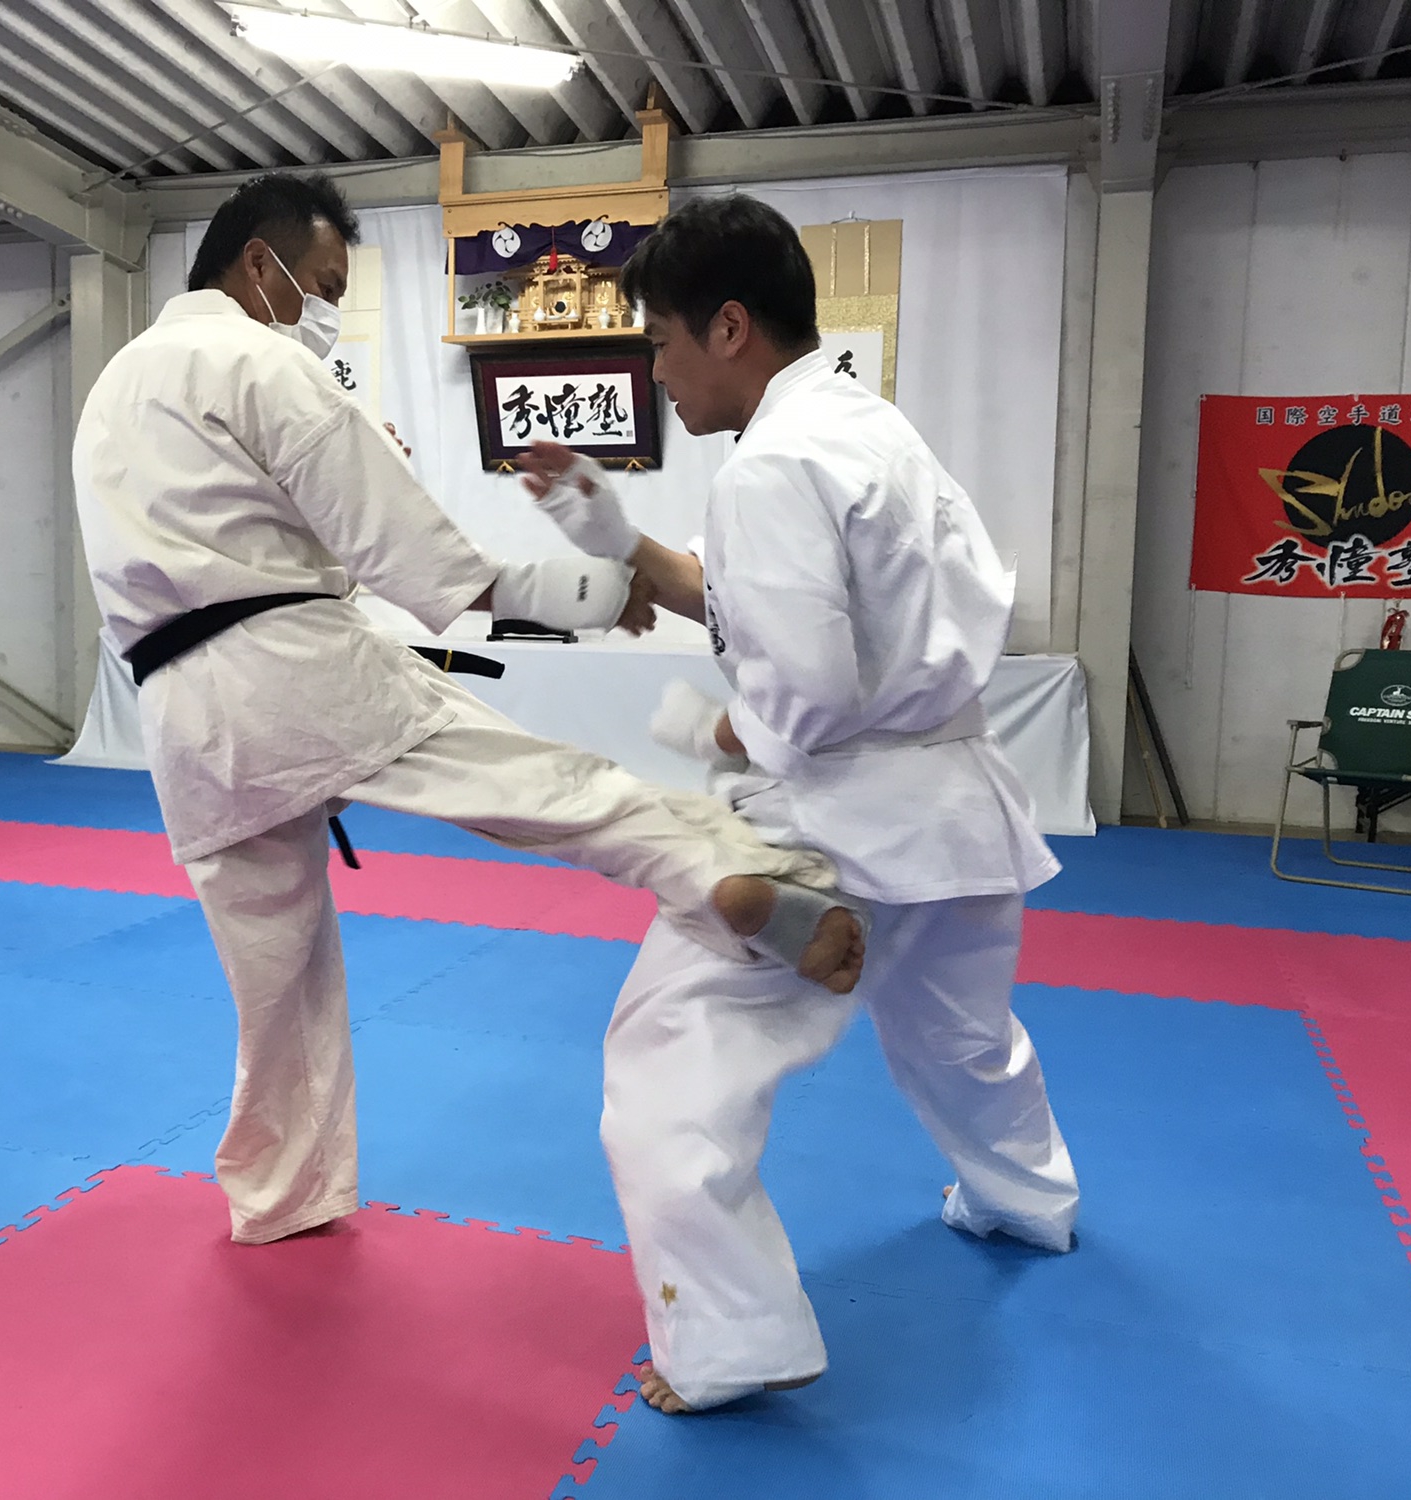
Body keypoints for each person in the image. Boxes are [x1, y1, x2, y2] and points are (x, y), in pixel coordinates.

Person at [70, 172, 867, 1249]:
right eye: (322, 284)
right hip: (292, 667)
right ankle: (737, 874)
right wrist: (580, 592)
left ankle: (278, 1195)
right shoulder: (259, 360)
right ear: (258, 264)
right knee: (546, 787)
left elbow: (223, 536)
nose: (326, 310)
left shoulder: (116, 386)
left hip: (180, 709)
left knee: (276, 982)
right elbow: (411, 556)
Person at [519, 194, 1079, 1413]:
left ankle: (728, 1343)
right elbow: (757, 606)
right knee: (960, 1040)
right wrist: (614, 534)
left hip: (834, 840)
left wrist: (714, 729)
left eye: (660, 341)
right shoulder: (867, 430)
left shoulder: (771, 464)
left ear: (727, 327)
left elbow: (808, 691)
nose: (656, 372)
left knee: (667, 1064)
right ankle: (1027, 1201)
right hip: (956, 819)